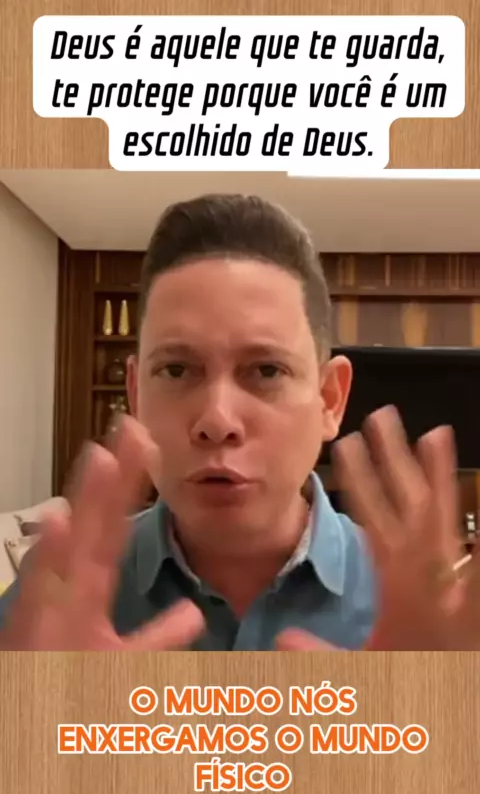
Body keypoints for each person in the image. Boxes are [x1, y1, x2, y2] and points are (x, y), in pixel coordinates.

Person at [0, 193, 478, 651]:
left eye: (266, 371)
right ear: (136, 394)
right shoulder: (50, 599)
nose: (217, 420)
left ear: (330, 400)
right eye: (176, 370)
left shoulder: (431, 616)